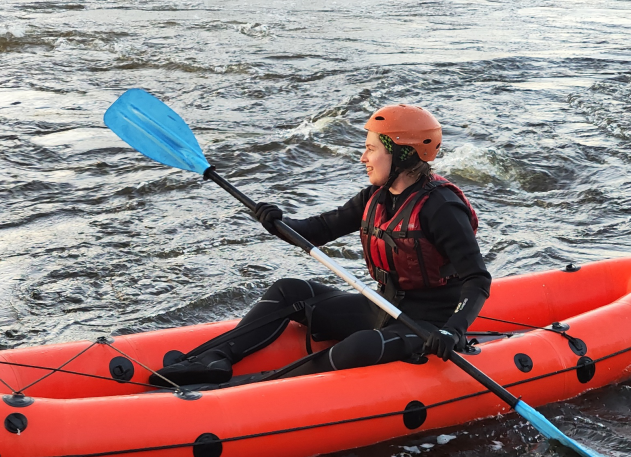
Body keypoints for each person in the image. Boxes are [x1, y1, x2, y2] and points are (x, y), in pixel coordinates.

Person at [150, 104, 491, 387]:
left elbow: (477, 280)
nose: (363, 158)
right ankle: (215, 359)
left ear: (401, 153)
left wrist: (453, 330)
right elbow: (316, 230)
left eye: (371, 148)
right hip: (383, 306)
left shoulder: (441, 208)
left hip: (428, 324)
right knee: (289, 290)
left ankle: (254, 388)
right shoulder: (376, 196)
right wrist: (274, 221)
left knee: (360, 346)